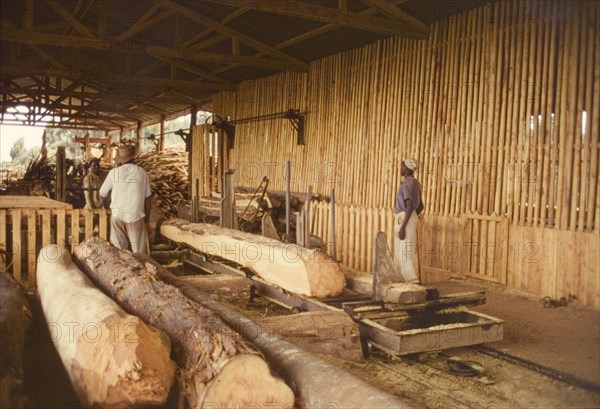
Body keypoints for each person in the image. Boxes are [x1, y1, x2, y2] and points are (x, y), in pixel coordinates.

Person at [99, 145, 152, 255]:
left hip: (117, 216)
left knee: (119, 253)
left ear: (121, 159)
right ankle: (142, 271)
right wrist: (146, 221)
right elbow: (148, 200)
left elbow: (102, 194)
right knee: (141, 254)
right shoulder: (142, 172)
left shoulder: (114, 173)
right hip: (136, 216)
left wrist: (107, 207)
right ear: (134, 158)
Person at [394, 157, 424, 284]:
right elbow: (421, 206)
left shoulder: (406, 184)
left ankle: (412, 281)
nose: (400, 169)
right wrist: (413, 217)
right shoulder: (417, 183)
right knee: (406, 250)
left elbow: (410, 205)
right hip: (410, 217)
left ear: (406, 168)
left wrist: (403, 226)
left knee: (403, 252)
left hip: (404, 217)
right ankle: (402, 282)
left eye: (402, 166)